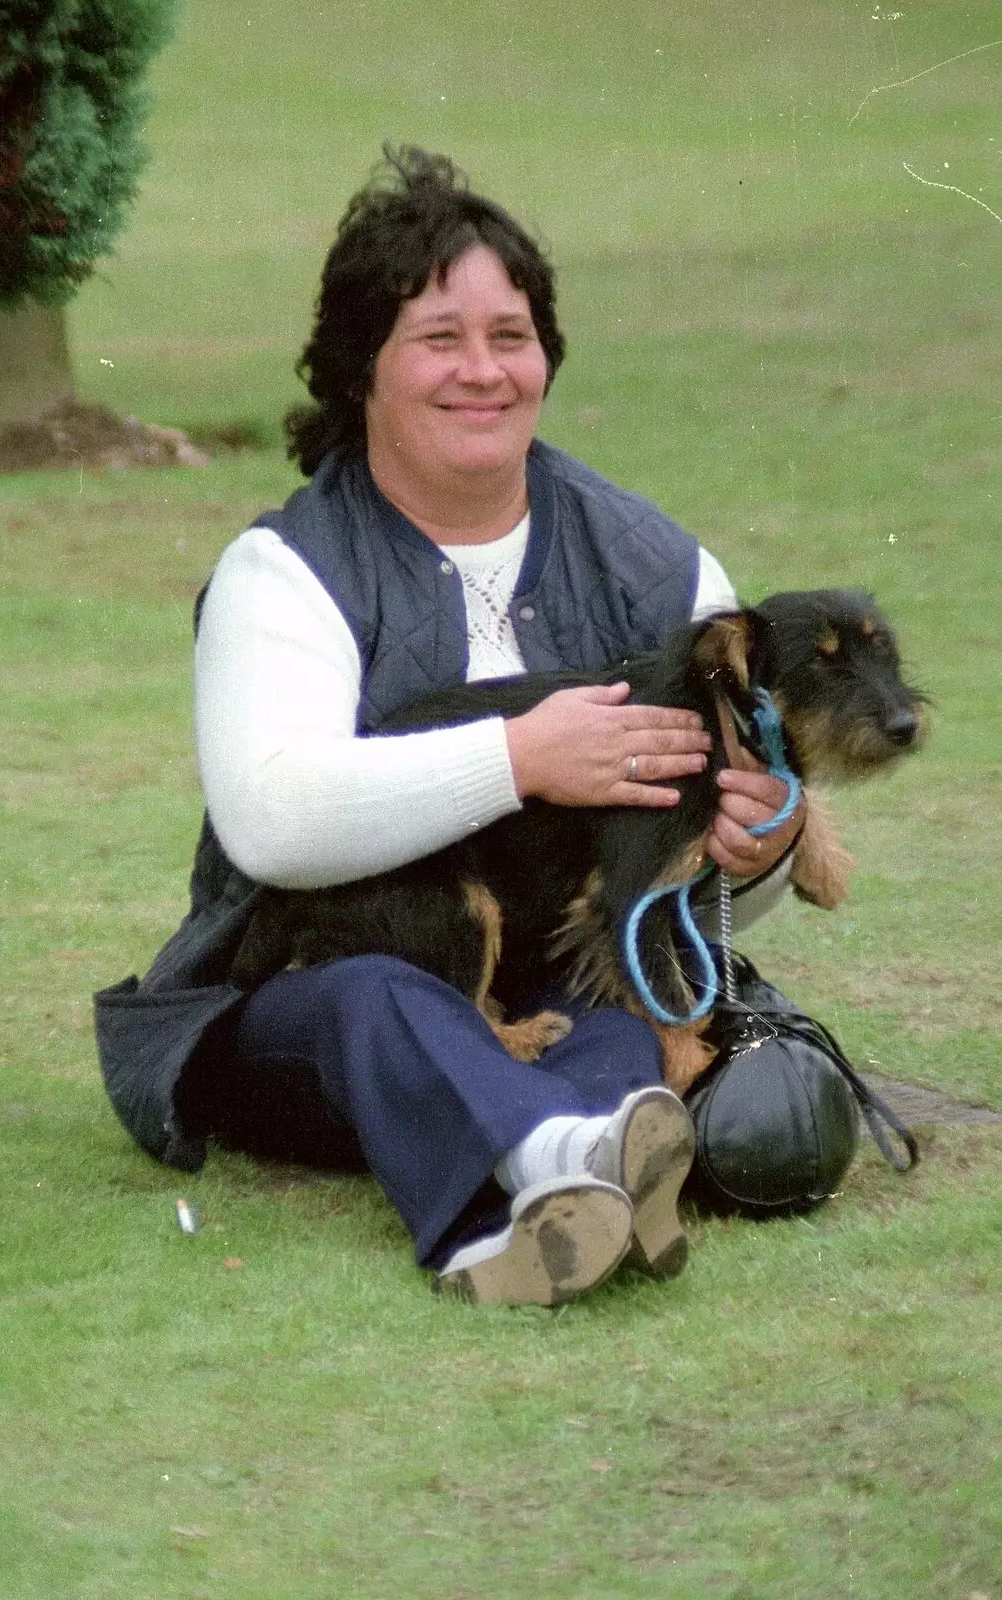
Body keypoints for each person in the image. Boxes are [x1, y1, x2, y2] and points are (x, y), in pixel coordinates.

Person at [95, 146, 804, 1306]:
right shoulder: (285, 570)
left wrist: (760, 849)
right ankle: (548, 1168)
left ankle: (557, 1193)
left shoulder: (654, 567)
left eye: (509, 337)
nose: (482, 371)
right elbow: (271, 820)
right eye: (439, 339)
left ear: (546, 360)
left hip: (549, 985)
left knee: (616, 1024)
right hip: (300, 997)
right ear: (358, 369)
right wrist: (520, 756)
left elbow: (697, 881)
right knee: (386, 1003)